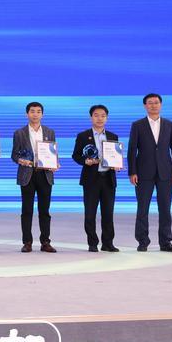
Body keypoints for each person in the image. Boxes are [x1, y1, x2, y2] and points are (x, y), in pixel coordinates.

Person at [128, 93, 172, 252]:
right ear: (145, 106)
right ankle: (142, 241)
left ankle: (165, 242)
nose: (153, 105)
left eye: (156, 102)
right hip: (143, 172)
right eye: (150, 103)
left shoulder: (170, 125)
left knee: (165, 209)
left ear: (161, 105)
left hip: (166, 172)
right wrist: (132, 171)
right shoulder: (137, 125)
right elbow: (132, 150)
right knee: (142, 208)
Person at [71, 104, 120, 252]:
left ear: (107, 118)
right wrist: (85, 161)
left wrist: (116, 165)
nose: (100, 118)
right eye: (96, 115)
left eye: (103, 116)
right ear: (91, 117)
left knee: (108, 213)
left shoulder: (113, 136)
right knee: (90, 213)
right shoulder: (83, 136)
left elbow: (116, 156)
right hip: (91, 179)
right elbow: (76, 155)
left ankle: (108, 243)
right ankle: (92, 243)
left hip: (108, 179)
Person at [11, 102, 58, 253]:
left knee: (44, 210)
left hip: (45, 175)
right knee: (27, 210)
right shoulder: (19, 133)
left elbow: (52, 153)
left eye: (38, 111)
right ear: (27, 114)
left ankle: (45, 242)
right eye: (32, 111)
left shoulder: (49, 132)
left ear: (42, 114)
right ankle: (27, 242)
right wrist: (21, 161)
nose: (35, 114)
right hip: (27, 174)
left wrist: (55, 163)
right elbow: (14, 155)